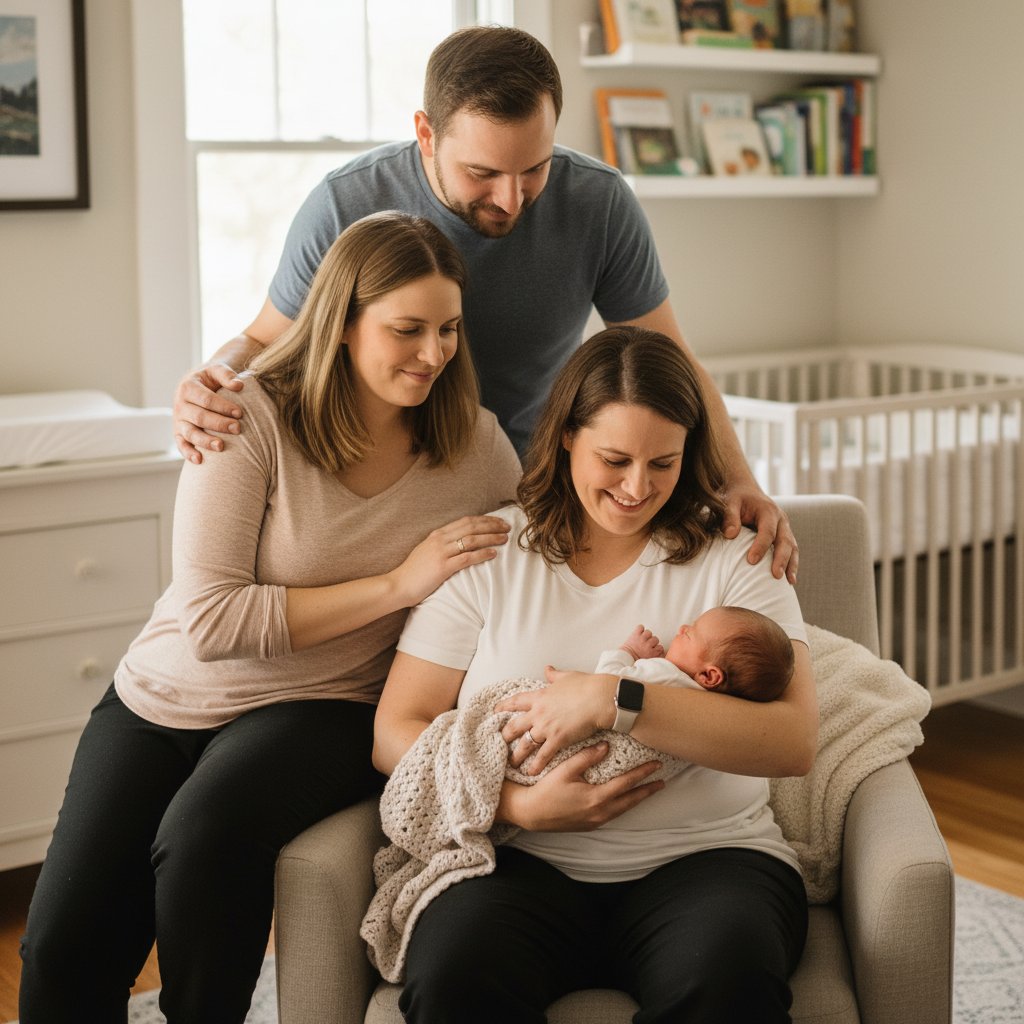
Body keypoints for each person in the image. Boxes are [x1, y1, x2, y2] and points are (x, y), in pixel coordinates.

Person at [17, 212, 522, 1024]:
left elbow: (546, 549)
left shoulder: (476, 449)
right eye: (407, 330)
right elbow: (211, 621)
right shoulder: (247, 417)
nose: (434, 354)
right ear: (343, 323)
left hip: (325, 703)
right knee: (63, 944)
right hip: (166, 696)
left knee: (204, 840)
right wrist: (398, 583)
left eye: (449, 330)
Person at [170, 25, 799, 583]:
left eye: (534, 169)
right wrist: (208, 379)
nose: (512, 199)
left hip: (523, 489)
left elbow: (670, 359)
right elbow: (263, 340)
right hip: (379, 496)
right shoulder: (344, 204)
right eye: (482, 173)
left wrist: (737, 479)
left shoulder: (599, 205)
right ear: (425, 134)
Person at [373, 325, 817, 1023]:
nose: (638, 488)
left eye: (664, 464)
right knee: (458, 978)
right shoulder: (491, 556)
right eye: (614, 459)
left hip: (710, 861)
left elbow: (791, 742)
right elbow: (394, 730)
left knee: (725, 983)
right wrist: (509, 807)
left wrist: (613, 697)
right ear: (567, 438)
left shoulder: (738, 558)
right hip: (516, 863)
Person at [596, 605, 796, 703]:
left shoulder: (667, 674)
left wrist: (630, 652)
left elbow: (603, 686)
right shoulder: (707, 707)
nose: (682, 628)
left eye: (690, 633)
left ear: (709, 676)